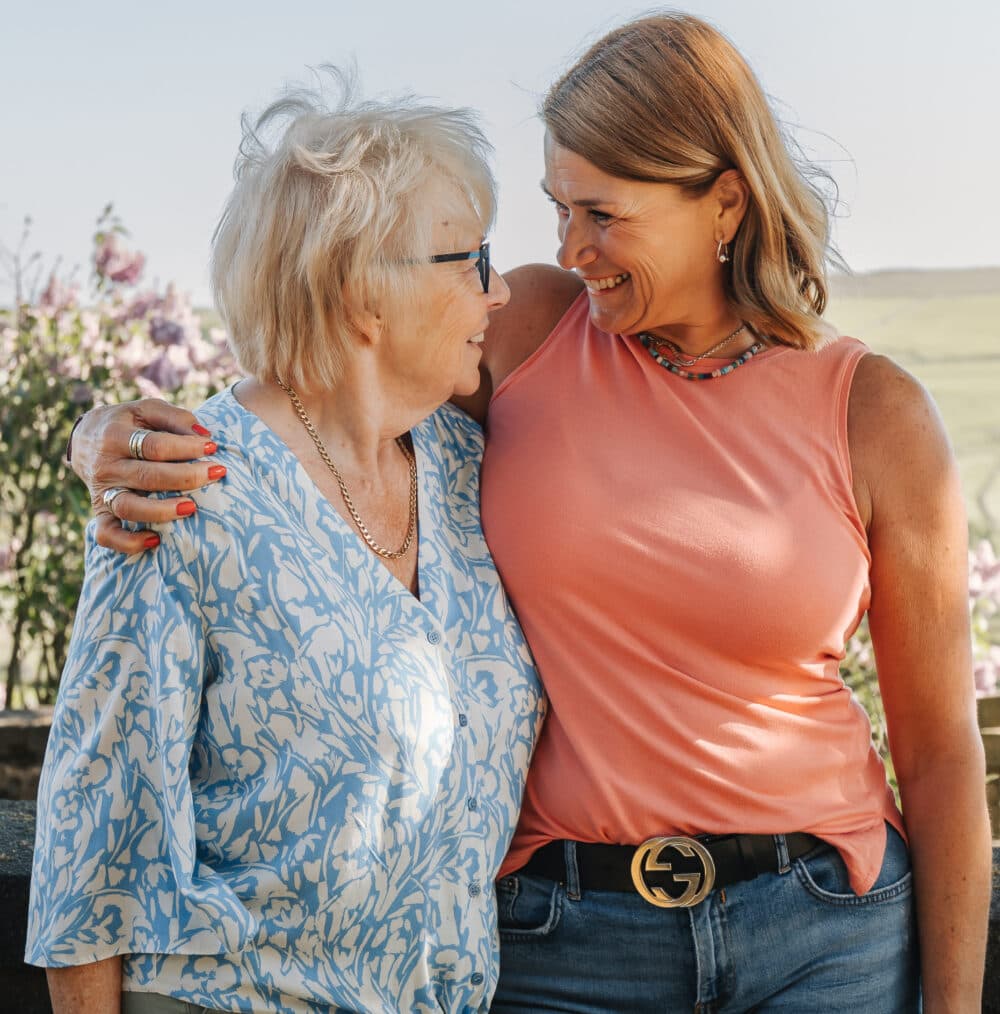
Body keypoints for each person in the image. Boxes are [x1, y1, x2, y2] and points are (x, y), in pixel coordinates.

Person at [64, 11, 991, 1013]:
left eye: (602, 214)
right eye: (557, 209)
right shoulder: (537, 330)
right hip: (562, 941)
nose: (569, 248)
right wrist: (108, 437)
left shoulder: (875, 414)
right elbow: (324, 380)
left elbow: (938, 755)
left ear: (723, 203)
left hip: (824, 933)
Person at [26, 76, 546, 1014]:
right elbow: (93, 835)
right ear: (362, 292)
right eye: (468, 259)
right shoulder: (188, 486)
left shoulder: (470, 467)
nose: (499, 289)